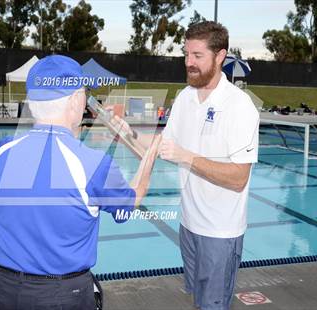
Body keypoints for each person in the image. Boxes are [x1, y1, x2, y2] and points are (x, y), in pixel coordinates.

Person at [0, 55, 160, 310]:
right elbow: (129, 203)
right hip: (60, 296)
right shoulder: (95, 165)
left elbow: (51, 152)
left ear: (32, 102)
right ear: (76, 100)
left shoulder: (4, 150)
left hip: (0, 290)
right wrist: (149, 154)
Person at [114, 21, 259, 310]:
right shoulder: (185, 97)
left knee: (213, 305)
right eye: (186, 54)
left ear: (220, 57)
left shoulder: (239, 106)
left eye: (197, 56)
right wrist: (123, 131)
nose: (188, 63)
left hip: (220, 233)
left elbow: (238, 178)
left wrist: (188, 157)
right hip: (189, 225)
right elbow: (159, 148)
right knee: (198, 301)